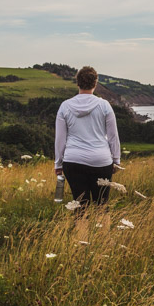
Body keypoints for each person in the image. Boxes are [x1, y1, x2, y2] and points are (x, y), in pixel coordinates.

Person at [54, 66, 121, 206]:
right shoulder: (104, 105)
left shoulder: (65, 106)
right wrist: (116, 159)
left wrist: (58, 163)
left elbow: (60, 139)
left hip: (73, 161)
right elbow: (113, 135)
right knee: (102, 205)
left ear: (77, 83)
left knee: (80, 206)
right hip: (101, 160)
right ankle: (102, 228)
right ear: (95, 83)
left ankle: (81, 227)